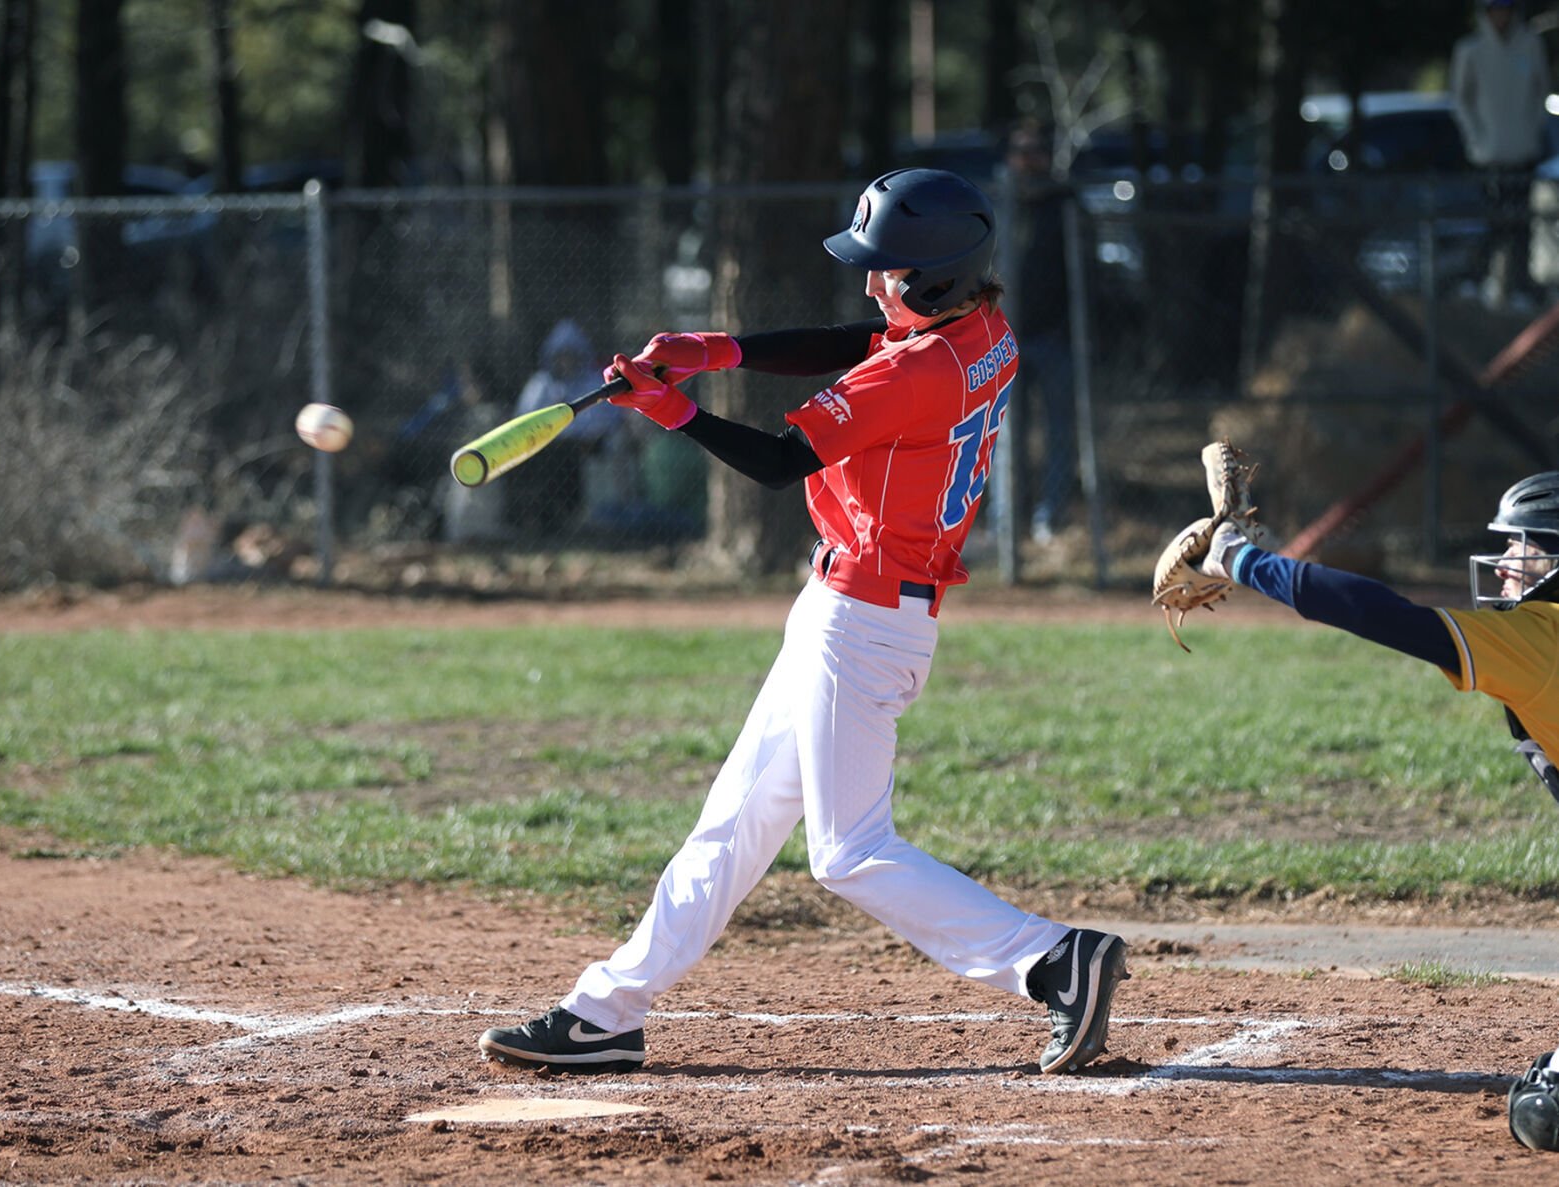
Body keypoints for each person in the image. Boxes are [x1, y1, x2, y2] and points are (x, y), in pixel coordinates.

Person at [477, 168, 1130, 1078]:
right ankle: (606, 1010)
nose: (871, 281)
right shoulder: (980, 330)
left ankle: (1056, 960)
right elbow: (854, 336)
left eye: (888, 269)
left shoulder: (911, 375)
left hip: (860, 623)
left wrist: (675, 412)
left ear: (936, 276)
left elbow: (784, 462)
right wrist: (719, 350)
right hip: (856, 611)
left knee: (849, 853)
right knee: (734, 823)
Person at [1195, 472, 1559, 1151]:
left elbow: (1382, 613)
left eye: (1527, 548)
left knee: (1546, 1112)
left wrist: (1241, 560)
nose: (1510, 564)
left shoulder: (1541, 639)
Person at [1004, 119, 1077, 544]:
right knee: (998, 438)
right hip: (1003, 339)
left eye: (1036, 150)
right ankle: (1004, 527)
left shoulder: (1061, 204)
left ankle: (1050, 520)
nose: (1028, 158)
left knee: (1058, 433)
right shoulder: (998, 204)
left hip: (1053, 335)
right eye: (1020, 149)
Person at [1451, 0, 1552, 310]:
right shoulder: (1471, 50)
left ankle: (1520, 284)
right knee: (1491, 220)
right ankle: (1479, 280)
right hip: (1488, 155)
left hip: (1522, 151)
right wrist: (1478, 140)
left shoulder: (1530, 45)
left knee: (1522, 221)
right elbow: (1461, 100)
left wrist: (1532, 129)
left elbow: (1541, 91)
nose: (1501, 16)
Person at [507, 319, 626, 536]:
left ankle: (589, 520)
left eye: (571, 355)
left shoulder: (594, 384)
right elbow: (523, 422)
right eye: (561, 356)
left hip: (585, 453)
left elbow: (607, 423)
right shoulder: (540, 385)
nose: (566, 362)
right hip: (544, 454)